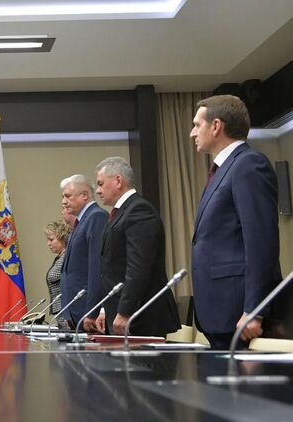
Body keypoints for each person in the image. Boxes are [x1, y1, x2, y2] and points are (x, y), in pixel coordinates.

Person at [190, 95, 281, 349]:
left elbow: (261, 242)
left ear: (216, 126)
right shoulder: (224, 168)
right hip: (219, 311)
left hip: (240, 312)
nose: (192, 133)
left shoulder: (248, 164)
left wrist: (255, 308)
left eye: (197, 125)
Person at [94, 157, 180, 337]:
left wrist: (125, 311)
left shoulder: (138, 210)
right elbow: (113, 269)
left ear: (118, 180)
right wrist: (104, 309)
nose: (98, 190)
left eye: (101, 184)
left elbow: (139, 267)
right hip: (122, 312)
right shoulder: (120, 212)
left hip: (140, 315)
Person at [59, 174, 107, 331]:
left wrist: (95, 310)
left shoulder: (96, 217)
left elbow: (97, 268)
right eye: (63, 197)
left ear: (84, 195)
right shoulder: (81, 220)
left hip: (89, 313)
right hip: (78, 312)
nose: (63, 201)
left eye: (68, 196)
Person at [44, 220, 71, 322]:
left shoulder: (67, 257)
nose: (48, 243)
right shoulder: (59, 258)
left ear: (63, 239)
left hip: (66, 310)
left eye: (51, 240)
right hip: (59, 310)